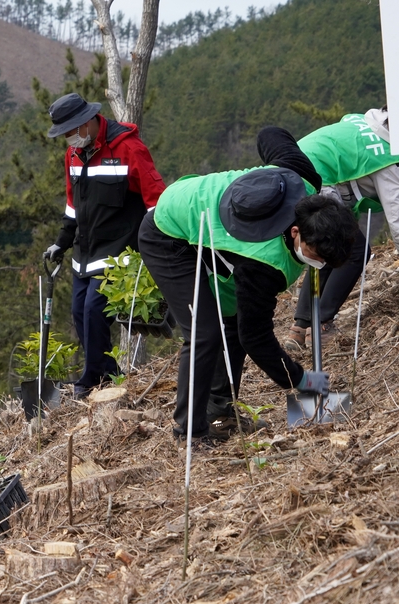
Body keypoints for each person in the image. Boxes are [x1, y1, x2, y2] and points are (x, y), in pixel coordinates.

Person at [138, 150, 358, 442]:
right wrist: (299, 378)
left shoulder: (303, 182)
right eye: (316, 256)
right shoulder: (265, 264)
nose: (318, 264)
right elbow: (254, 336)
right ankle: (189, 432)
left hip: (199, 213)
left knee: (230, 321)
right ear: (295, 232)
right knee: (205, 333)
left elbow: (271, 136)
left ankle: (221, 413)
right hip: (167, 232)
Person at [42, 92, 166, 397]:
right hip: (84, 254)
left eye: (70, 132)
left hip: (120, 254)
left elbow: (156, 200)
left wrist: (157, 246)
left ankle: (91, 378)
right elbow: (73, 205)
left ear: (86, 123)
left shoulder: (128, 148)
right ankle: (108, 373)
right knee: (79, 312)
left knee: (95, 309)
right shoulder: (73, 155)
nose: (68, 140)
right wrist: (61, 242)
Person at [260, 112, 399, 350]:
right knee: (352, 250)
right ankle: (322, 323)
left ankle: (300, 327)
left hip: (292, 172)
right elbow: (397, 220)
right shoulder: (385, 158)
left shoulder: (365, 122)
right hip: (312, 180)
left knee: (322, 251)